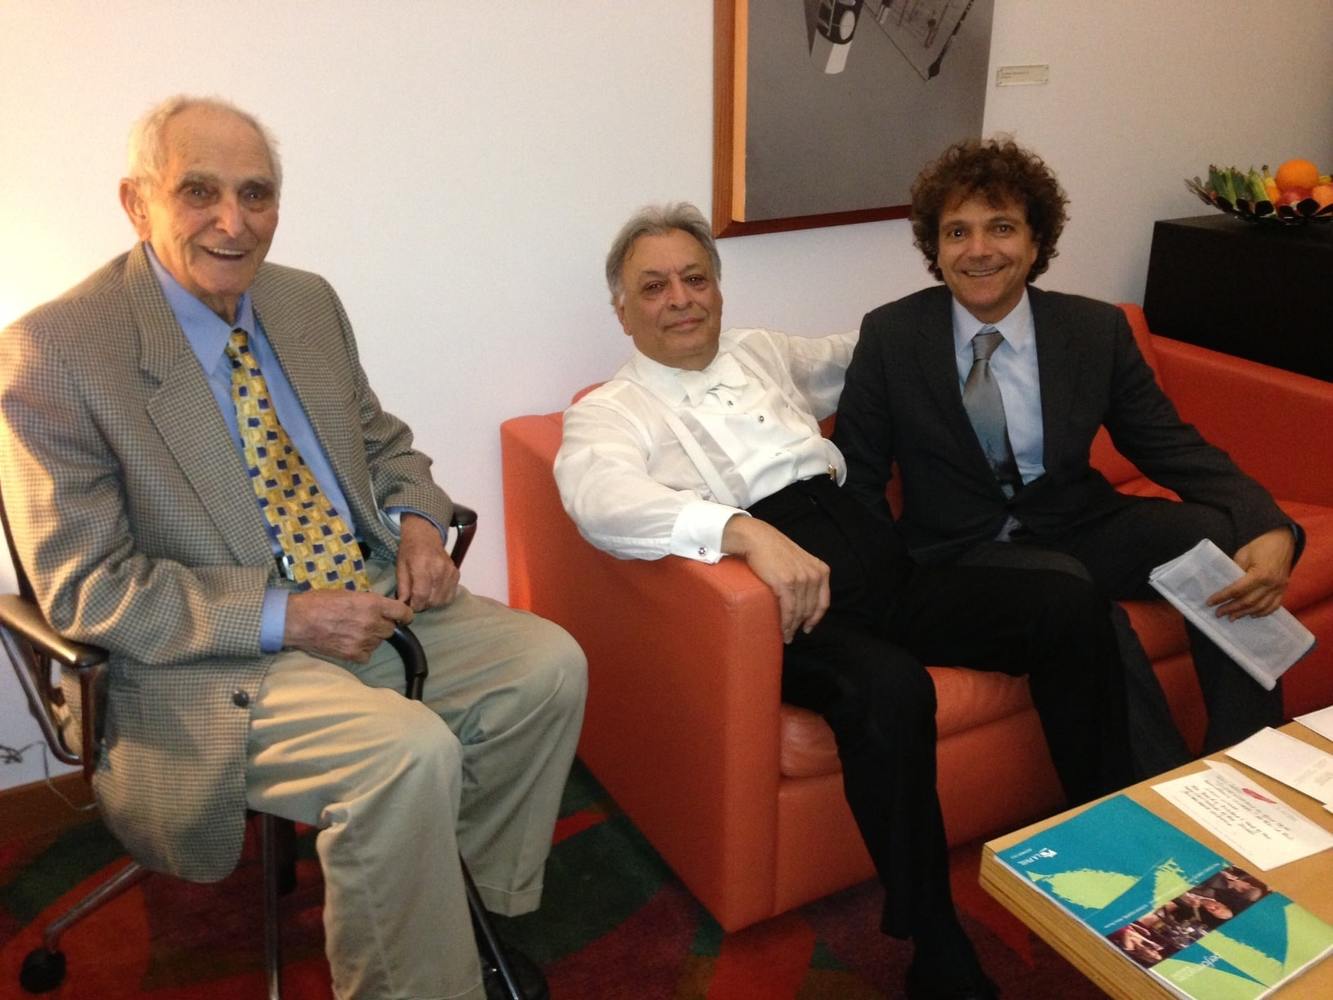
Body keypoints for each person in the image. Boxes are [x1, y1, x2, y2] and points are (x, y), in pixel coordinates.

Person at [0, 95, 585, 1000]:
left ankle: (464, 906)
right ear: (135, 202)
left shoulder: (305, 302)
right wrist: (287, 616)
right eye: (198, 191)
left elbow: (383, 440)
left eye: (257, 194)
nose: (234, 223)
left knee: (546, 665)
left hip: (366, 594)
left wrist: (420, 521)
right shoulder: (56, 352)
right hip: (208, 658)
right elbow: (86, 589)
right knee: (405, 756)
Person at [555, 201, 1135, 1000]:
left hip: (884, 561)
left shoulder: (760, 352)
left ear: (719, 290)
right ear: (621, 311)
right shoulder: (608, 412)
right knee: (889, 688)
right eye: (652, 287)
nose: (679, 299)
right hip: (786, 610)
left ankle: (1101, 837)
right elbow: (599, 499)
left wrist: (988, 304)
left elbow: (874, 348)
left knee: (1065, 607)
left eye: (694, 278)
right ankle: (932, 939)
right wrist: (742, 533)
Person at [834, 137, 1303, 776]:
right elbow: (858, 477)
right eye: (957, 232)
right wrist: (873, 589)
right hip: (964, 548)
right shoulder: (891, 335)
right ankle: (1158, 793)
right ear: (935, 248)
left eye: (1001, 227)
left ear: (1035, 242)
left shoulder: (1091, 331)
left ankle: (1248, 760)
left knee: (1214, 537)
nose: (978, 250)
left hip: (1077, 522)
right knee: (1075, 600)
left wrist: (1269, 523)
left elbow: (1170, 446)